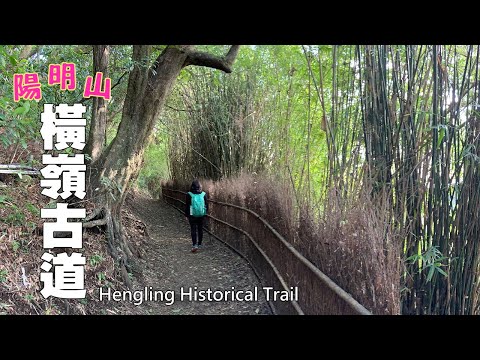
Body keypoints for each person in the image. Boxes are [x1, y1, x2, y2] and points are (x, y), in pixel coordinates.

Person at [185, 179, 208, 253]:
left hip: (192, 215)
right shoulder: (203, 194)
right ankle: (200, 244)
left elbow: (187, 206)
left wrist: (186, 215)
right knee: (200, 229)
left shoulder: (189, 194)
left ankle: (195, 244)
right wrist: (205, 213)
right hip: (201, 214)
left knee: (193, 229)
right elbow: (206, 205)